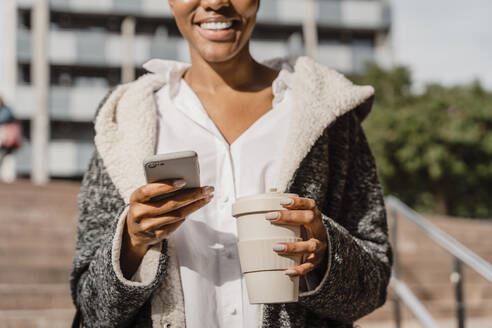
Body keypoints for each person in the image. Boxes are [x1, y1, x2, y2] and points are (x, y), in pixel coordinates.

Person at [70, 1, 392, 327]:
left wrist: (326, 256)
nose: (215, 2)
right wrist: (132, 242)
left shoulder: (326, 115)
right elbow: (92, 306)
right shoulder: (123, 120)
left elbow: (373, 285)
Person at [0, 95, 22, 173]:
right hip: (5, 137)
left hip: (7, 137)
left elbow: (2, 119)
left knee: (3, 152)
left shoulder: (6, 110)